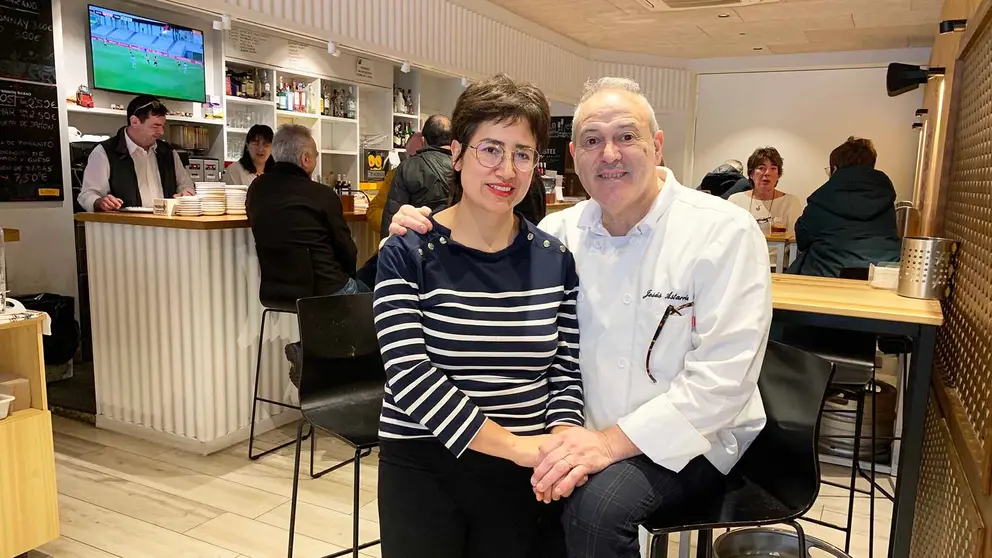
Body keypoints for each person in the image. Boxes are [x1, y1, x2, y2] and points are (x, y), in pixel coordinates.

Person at [388, 77, 772, 558]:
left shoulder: (723, 231)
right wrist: (410, 230)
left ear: (656, 145)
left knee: (594, 510)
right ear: (573, 155)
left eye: (626, 136)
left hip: (688, 435)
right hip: (568, 436)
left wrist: (602, 444)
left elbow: (723, 381)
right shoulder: (560, 234)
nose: (609, 154)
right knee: (550, 501)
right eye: (592, 141)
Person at [373, 74, 584, 558]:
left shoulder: (555, 258)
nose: (506, 169)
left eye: (522, 153)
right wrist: (516, 446)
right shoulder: (408, 251)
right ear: (457, 153)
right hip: (426, 464)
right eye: (491, 148)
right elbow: (409, 375)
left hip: (526, 472)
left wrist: (561, 441)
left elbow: (565, 371)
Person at [246, 124, 363, 295]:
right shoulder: (323, 195)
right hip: (327, 291)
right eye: (316, 155)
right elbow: (347, 251)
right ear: (305, 159)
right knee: (380, 298)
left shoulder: (255, 189)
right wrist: (346, 279)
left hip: (276, 291)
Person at [787, 136, 901, 276]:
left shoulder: (822, 198)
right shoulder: (884, 196)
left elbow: (802, 239)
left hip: (829, 276)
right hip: (882, 276)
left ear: (834, 169)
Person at [78, 95, 195, 212]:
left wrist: (186, 194)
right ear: (134, 121)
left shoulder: (168, 152)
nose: (161, 132)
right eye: (156, 126)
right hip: (124, 227)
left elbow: (186, 185)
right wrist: (100, 202)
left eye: (163, 125)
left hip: (167, 226)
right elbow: (87, 195)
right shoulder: (104, 152)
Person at [380, 114, 453, 238]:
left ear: (423, 140)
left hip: (419, 243)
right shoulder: (465, 166)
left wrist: (386, 246)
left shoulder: (407, 167)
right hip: (457, 244)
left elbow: (392, 216)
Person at [728, 147, 803, 234]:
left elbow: (794, 240)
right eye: (761, 168)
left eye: (773, 168)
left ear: (778, 175)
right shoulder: (735, 201)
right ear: (751, 174)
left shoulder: (790, 202)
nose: (767, 173)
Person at [366, 132, 426, 235]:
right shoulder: (396, 174)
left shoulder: (450, 175)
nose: (415, 163)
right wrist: (400, 222)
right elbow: (373, 212)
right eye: (411, 157)